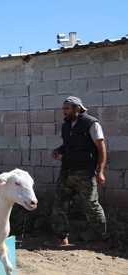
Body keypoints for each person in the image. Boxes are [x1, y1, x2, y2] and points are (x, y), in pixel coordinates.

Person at [43, 96, 111, 250]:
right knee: (60, 204)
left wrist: (100, 172)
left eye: (66, 108)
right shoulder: (66, 126)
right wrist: (58, 150)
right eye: (63, 108)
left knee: (91, 206)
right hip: (67, 172)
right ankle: (60, 238)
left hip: (85, 172)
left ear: (77, 109)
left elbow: (101, 148)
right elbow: (68, 144)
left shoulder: (91, 124)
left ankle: (104, 240)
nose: (63, 112)